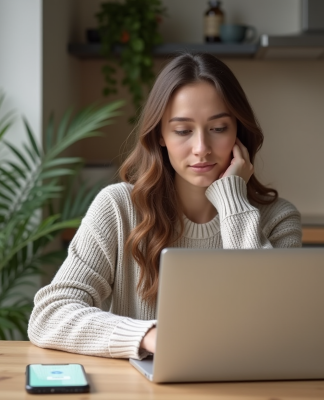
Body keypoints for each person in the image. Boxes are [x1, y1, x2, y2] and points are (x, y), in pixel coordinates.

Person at [28, 53, 302, 359]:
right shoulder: (118, 208)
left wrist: (232, 200)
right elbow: (49, 316)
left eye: (219, 128)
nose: (201, 149)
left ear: (238, 132)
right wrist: (149, 336)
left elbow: (279, 324)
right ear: (161, 135)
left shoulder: (279, 219)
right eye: (183, 131)